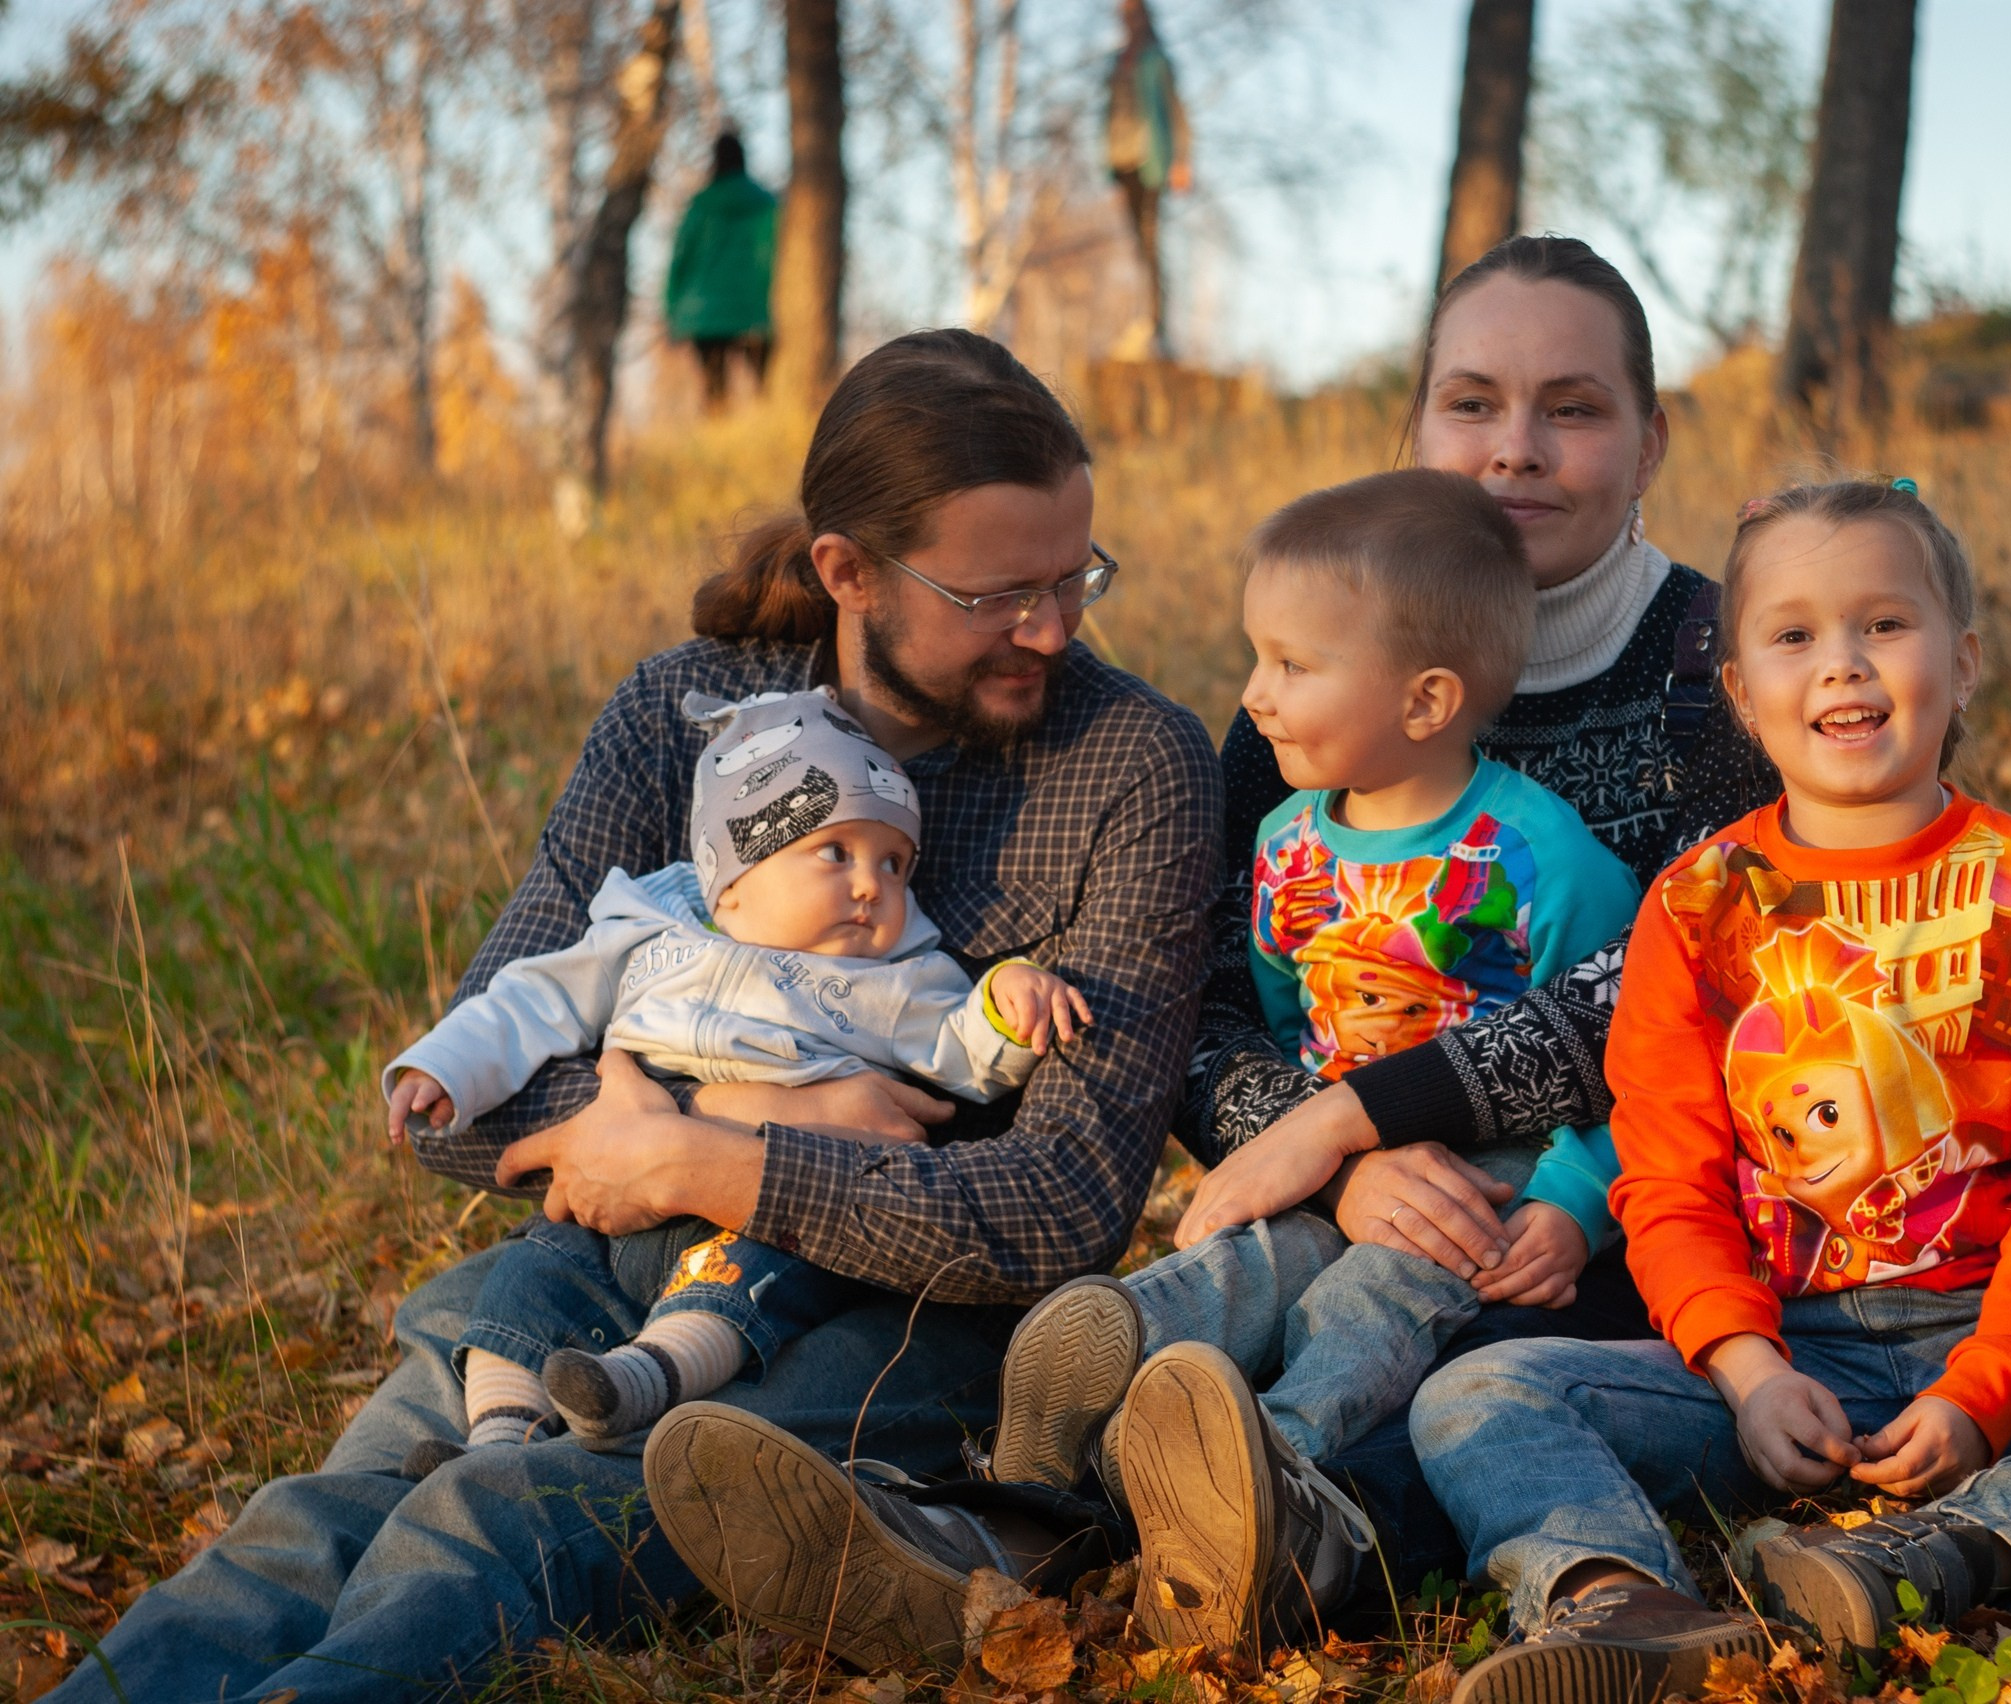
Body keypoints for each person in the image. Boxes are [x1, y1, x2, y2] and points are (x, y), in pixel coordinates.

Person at [48, 329, 1221, 1704]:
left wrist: (706, 1159)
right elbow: (472, 1086)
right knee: (311, 1528)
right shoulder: (677, 715)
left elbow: (1063, 1205)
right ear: (848, 572)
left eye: (1075, 576)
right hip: (599, 1266)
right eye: (997, 593)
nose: (1054, 630)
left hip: (891, 1321)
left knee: (492, 1520)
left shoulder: (1133, 762)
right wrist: (737, 1122)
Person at [1404, 479, 2011, 1704]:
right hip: (1772, 1361)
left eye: (1883, 623)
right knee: (1476, 1393)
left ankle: (1946, 1550)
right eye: (1794, 634)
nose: (1841, 663)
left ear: (1961, 665)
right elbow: (1668, 1183)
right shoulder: (1696, 907)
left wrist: (1984, 1397)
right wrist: (1747, 1374)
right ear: (1741, 694)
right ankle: (1618, 1601)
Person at [1169, 235, 1776, 1580]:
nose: (1516, 450)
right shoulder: (1312, 687)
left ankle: (1294, 1532)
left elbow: (1678, 990)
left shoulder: (1731, 675)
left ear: (1649, 442)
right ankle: (1053, 1495)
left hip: (1611, 1219)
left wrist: (1356, 1116)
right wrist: (1344, 1166)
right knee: (1218, 1316)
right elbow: (1209, 995)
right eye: (1472, 403)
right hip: (1349, 1209)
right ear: (1416, 427)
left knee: (1452, 1378)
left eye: (1573, 408)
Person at [969, 468, 1642, 1660]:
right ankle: (1102, 1352)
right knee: (1250, 1262)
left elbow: (1625, 1056)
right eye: (1257, 657)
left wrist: (1574, 1205)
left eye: (1291, 665)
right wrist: (1314, 1152)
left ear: (1426, 699)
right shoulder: (1288, 843)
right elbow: (1284, 1025)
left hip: (1483, 1180)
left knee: (1366, 1300)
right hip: (1340, 1154)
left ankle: (1265, 1459)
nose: (1254, 695)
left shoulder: (1542, 854)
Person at [381, 690, 1090, 1463]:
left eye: (894, 863)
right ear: (734, 878)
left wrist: (1005, 1002)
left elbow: (961, 1052)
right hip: (611, 1198)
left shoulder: (894, 978)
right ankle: (495, 1442)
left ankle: (641, 1383)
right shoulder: (650, 928)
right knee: (529, 1278)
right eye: (836, 853)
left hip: (759, 1200)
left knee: (743, 1280)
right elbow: (535, 1000)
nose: (871, 886)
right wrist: (447, 1065)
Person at [666, 131, 778, 409]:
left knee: (715, 391)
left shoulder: (700, 206)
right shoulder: (766, 204)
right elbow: (774, 252)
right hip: (753, 307)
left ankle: (721, 424)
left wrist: (671, 307)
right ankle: (765, 425)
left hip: (705, 311)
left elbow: (681, 258)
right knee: (763, 390)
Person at [1105, 0, 1191, 359]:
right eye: (1123, 15)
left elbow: (1175, 108)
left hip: (1152, 159)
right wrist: (1108, 165)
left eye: (1132, 14)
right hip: (1122, 160)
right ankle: (1139, 320)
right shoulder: (1115, 62)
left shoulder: (1157, 60)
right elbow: (1108, 113)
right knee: (1136, 246)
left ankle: (1157, 327)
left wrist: (1182, 160)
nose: (1128, 21)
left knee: (1152, 242)